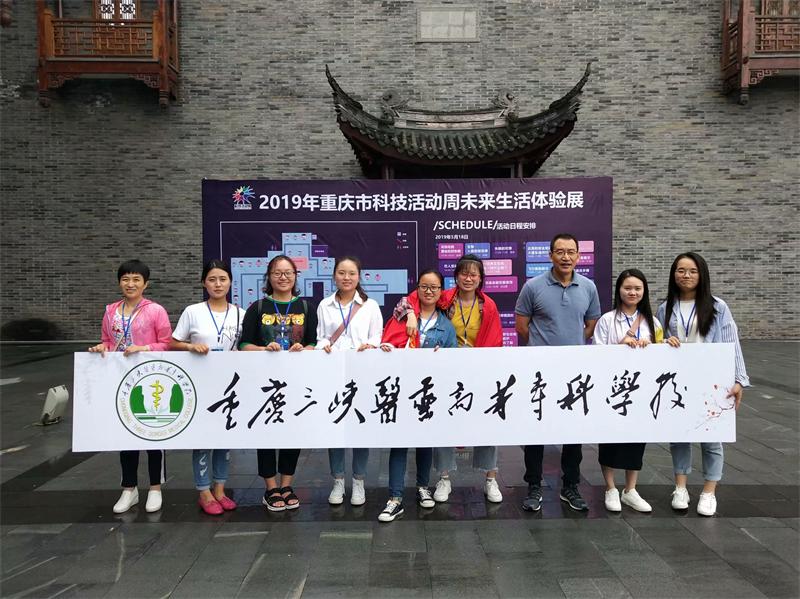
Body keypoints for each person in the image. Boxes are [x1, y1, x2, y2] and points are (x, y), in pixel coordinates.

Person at [395, 254, 504, 504]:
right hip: (446, 370)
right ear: (456, 276)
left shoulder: (488, 305)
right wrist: (410, 314)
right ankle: (444, 477)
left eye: (474, 274)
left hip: (478, 369)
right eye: (464, 273)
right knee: (443, 421)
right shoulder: (444, 298)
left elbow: (496, 339)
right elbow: (406, 302)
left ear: (480, 279)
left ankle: (490, 477)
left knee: (487, 421)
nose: (468, 278)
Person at [657, 251, 749, 516]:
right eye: (681, 270)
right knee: (679, 435)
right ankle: (681, 487)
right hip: (678, 382)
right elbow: (658, 340)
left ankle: (709, 492)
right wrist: (664, 342)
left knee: (712, 438)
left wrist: (739, 380)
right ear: (673, 275)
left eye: (692, 271)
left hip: (711, 381)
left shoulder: (718, 306)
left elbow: (732, 343)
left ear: (702, 275)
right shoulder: (666, 307)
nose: (686, 275)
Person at [515, 233, 601, 512]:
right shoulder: (533, 286)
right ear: (550, 255)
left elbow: (591, 324)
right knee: (536, 430)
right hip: (539, 371)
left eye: (571, 252)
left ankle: (570, 486)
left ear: (578, 256)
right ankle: (534, 485)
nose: (566, 257)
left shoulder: (588, 287)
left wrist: (570, 348)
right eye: (560, 252)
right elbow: (521, 326)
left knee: (572, 431)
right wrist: (544, 350)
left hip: (573, 371)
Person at [88, 259, 172, 514]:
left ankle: (155, 487)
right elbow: (107, 340)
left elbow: (166, 343)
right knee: (125, 434)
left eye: (136, 279)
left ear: (145, 284)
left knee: (154, 433)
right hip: (121, 380)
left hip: (151, 379)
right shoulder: (111, 311)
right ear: (119, 283)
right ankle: (129, 488)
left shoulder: (155, 310)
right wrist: (101, 347)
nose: (130, 284)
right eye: (125, 279)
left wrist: (144, 348)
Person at [377, 269, 458, 522]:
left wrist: (442, 358)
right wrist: (387, 349)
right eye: (424, 286)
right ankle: (395, 498)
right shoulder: (401, 316)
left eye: (434, 287)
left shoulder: (446, 326)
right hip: (401, 390)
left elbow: (454, 359)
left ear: (441, 291)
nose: (429, 291)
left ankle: (423, 486)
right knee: (399, 443)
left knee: (425, 441)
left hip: (428, 392)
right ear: (417, 289)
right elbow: (387, 343)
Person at [239, 255, 318, 512]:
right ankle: (270, 487)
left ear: (295, 276)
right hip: (264, 383)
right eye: (277, 273)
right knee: (266, 433)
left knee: (293, 432)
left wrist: (303, 349)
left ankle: (286, 485)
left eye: (288, 273)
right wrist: (264, 349)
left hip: (296, 381)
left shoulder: (305, 307)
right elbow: (244, 344)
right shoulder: (258, 307)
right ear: (269, 277)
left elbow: (313, 342)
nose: (283, 277)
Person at [170, 259, 245, 515]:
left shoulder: (240, 313)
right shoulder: (193, 311)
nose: (218, 284)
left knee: (224, 438)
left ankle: (220, 490)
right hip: (200, 385)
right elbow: (173, 342)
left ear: (230, 282)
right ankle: (204, 491)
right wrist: (191, 346)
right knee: (202, 439)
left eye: (223, 279)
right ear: (204, 283)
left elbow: (245, 346)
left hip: (230, 386)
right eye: (212, 279)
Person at [593, 269, 663, 513]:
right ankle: (611, 488)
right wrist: (619, 346)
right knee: (609, 439)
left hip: (641, 391)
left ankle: (630, 489)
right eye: (627, 288)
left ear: (644, 291)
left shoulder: (652, 322)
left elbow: (661, 354)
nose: (632, 292)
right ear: (619, 290)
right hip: (612, 390)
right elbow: (596, 353)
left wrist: (654, 346)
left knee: (636, 439)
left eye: (637, 288)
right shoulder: (607, 320)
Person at [316, 256, 383, 506]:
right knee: (335, 428)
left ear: (359, 276)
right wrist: (324, 345)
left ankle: (358, 481)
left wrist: (371, 345)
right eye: (342, 273)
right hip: (333, 373)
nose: (346, 277)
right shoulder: (325, 305)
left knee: (360, 428)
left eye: (351, 273)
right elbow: (321, 336)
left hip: (362, 374)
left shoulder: (370, 306)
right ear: (334, 275)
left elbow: (377, 336)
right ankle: (337, 480)